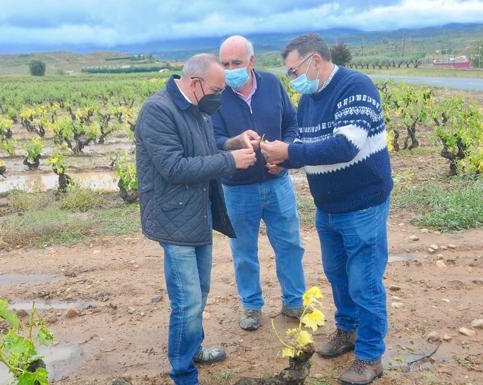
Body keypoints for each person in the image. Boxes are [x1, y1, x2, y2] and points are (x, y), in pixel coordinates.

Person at [261, 33, 393, 385]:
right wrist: (284, 160)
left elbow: (345, 145)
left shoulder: (355, 87)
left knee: (365, 282)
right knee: (337, 275)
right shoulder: (308, 100)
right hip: (329, 206)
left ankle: (369, 356)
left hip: (362, 203)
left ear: (315, 60)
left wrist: (290, 153)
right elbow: (306, 145)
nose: (292, 79)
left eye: (293, 71)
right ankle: (347, 332)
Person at [135, 53, 257, 385]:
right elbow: (174, 168)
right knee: (187, 301)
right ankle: (183, 372)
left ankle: (193, 350)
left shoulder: (198, 111)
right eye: (217, 88)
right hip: (173, 218)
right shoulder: (157, 111)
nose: (220, 95)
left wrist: (232, 144)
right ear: (195, 82)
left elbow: (206, 151)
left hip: (198, 215)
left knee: (199, 293)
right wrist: (231, 161)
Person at [212, 35, 306, 331]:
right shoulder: (216, 95)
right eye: (225, 64)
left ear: (251, 62)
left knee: (290, 244)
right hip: (236, 189)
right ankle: (251, 307)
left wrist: (285, 152)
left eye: (236, 63)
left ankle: (294, 301)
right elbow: (210, 139)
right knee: (243, 252)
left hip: (277, 182)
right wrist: (233, 142)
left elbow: (292, 122)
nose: (230, 70)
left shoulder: (273, 85)